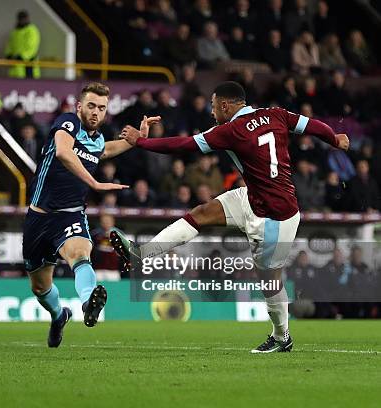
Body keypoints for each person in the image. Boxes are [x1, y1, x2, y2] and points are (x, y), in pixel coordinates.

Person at [113, 81, 349, 353]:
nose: (212, 113)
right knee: (202, 213)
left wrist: (140, 141)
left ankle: (282, 337)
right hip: (252, 197)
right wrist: (335, 138)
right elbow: (313, 126)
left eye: (214, 107)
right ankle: (141, 253)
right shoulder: (277, 114)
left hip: (276, 217)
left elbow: (184, 144)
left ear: (225, 105)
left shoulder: (231, 130)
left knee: (269, 280)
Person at [23, 82, 145, 348]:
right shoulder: (67, 123)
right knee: (40, 288)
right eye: (91, 106)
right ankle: (59, 315)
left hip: (71, 215)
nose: (96, 112)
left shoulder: (97, 139)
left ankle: (89, 301)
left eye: (102, 108)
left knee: (80, 254)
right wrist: (95, 183)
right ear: (79, 106)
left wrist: (137, 140)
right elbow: (65, 153)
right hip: (39, 217)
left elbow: (107, 149)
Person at [5, 10, 40, 79]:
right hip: (15, 67)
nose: (22, 20)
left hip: (28, 66)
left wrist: (22, 56)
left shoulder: (31, 30)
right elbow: (9, 45)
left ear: (27, 18)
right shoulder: (14, 32)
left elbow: (32, 47)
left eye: (24, 18)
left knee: (29, 87)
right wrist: (8, 54)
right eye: (20, 18)